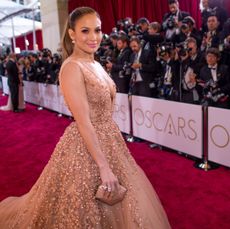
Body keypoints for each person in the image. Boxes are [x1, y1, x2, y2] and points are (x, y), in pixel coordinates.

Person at [0, 7, 171, 228]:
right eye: (85, 31)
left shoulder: (96, 64)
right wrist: (103, 167)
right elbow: (83, 121)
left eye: (97, 30)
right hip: (86, 146)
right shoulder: (71, 68)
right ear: (72, 34)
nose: (93, 37)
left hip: (111, 140)